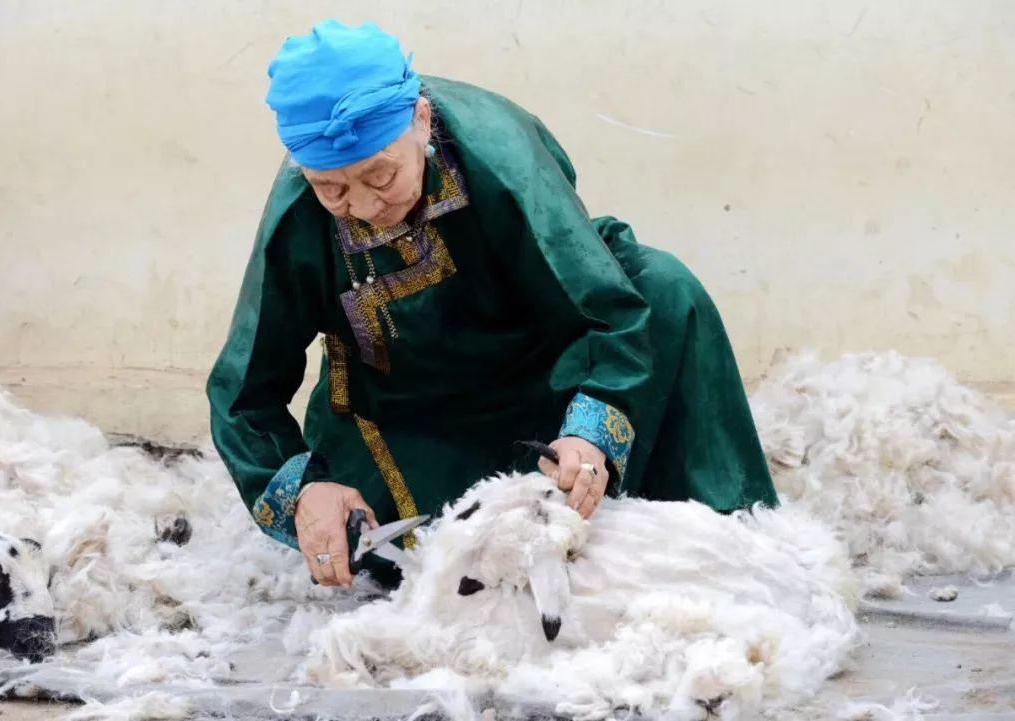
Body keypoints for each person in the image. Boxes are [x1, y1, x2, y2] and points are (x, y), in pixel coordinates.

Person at [207, 19, 778, 589]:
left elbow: (606, 305)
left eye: (380, 176)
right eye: (333, 189)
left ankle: (729, 537)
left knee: (665, 288)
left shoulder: (501, 157)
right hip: (408, 422)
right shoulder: (300, 215)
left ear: (421, 122)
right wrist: (306, 492)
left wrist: (589, 432)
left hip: (549, 379)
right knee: (425, 554)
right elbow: (242, 396)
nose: (361, 206)